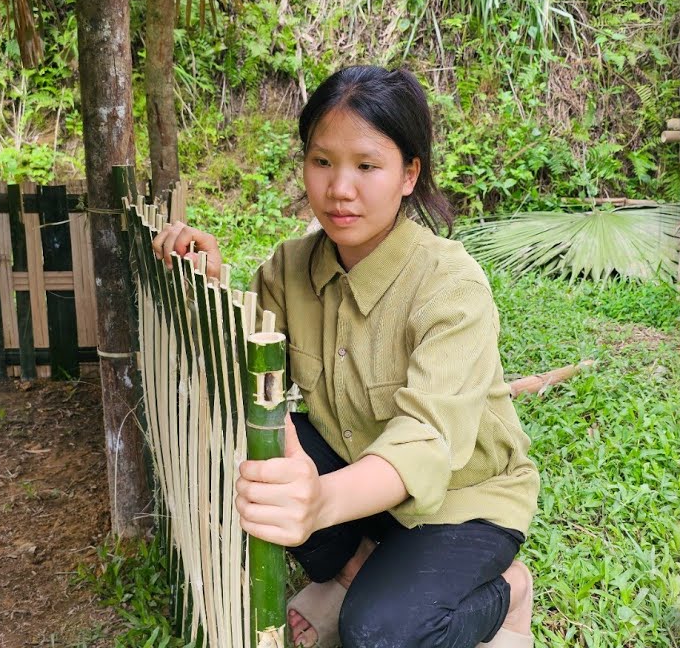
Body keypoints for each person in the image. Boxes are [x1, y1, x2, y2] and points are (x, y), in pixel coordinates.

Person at [151, 65, 540, 648]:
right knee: (255, 453)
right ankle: (358, 564)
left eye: (366, 165)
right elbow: (241, 365)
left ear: (409, 174)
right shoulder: (289, 267)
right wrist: (204, 282)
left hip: (464, 501)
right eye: (322, 161)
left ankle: (508, 592)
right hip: (361, 484)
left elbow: (428, 442)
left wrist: (321, 501)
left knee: (376, 634)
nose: (339, 189)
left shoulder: (450, 284)